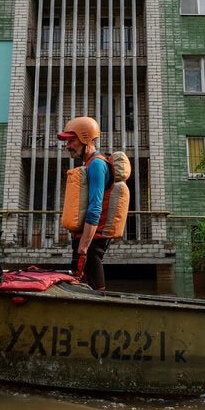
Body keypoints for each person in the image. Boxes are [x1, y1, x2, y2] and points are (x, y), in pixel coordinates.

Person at [58, 116, 112, 290]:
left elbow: (95, 206)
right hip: (86, 238)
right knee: (85, 287)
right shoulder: (90, 163)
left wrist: (83, 247)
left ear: (85, 139)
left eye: (72, 141)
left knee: (96, 289)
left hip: (91, 241)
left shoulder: (96, 164)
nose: (67, 146)